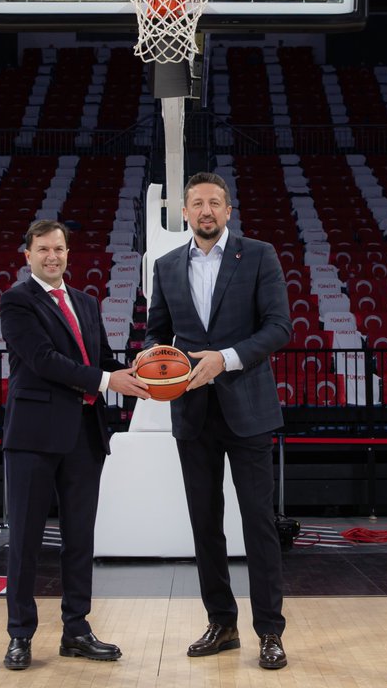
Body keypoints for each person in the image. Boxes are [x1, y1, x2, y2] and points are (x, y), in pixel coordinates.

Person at [140, 172, 293, 670]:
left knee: (259, 524)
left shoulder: (260, 255)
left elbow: (278, 328)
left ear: (229, 211)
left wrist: (223, 358)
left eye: (215, 202)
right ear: (184, 213)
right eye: (197, 203)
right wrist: (160, 365)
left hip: (248, 409)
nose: (206, 210)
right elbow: (155, 334)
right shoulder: (165, 266)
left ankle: (270, 631)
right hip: (193, 412)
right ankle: (222, 624)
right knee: (205, 525)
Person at [0, 219, 151, 671]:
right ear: (27, 255)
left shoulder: (86, 302)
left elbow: (99, 360)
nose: (52, 256)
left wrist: (142, 372)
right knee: (25, 540)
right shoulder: (16, 301)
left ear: (69, 253)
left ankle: (77, 630)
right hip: (33, 436)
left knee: (80, 540)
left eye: (59, 248)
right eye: (43, 249)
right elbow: (44, 361)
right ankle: (20, 635)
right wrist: (108, 379)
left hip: (84, 435)